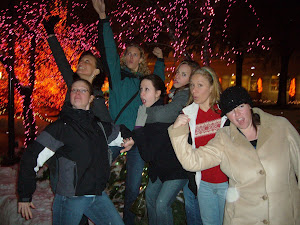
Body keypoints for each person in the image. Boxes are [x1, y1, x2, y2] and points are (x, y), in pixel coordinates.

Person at [168, 86, 300, 225]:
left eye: (241, 106)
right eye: (231, 110)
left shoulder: (281, 127)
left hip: (285, 217)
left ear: (249, 105)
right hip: (243, 219)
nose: (237, 114)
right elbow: (192, 162)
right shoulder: (224, 138)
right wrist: (178, 131)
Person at [17, 79, 134, 225]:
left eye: (83, 90)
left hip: (97, 195)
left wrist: (130, 139)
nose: (77, 93)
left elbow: (121, 132)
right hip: (70, 199)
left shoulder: (100, 127)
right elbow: (31, 157)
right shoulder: (61, 128)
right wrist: (25, 195)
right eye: (74, 90)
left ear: (91, 98)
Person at [93, 0, 165, 223]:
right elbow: (110, 51)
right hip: (115, 134)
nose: (132, 57)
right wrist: (104, 19)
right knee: (94, 177)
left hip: (137, 137)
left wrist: (161, 61)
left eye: (136, 54)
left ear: (142, 59)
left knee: (133, 189)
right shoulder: (117, 76)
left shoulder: (144, 82)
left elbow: (158, 86)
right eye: (129, 54)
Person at [140, 59, 202, 225]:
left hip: (177, 166)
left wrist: (141, 114)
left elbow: (161, 117)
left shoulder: (185, 96)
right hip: (165, 165)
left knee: (161, 204)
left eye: (184, 74)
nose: (177, 76)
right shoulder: (174, 96)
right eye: (177, 72)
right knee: (151, 197)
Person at [124, 74, 188, 225]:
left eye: (147, 89)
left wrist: (138, 129)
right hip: (160, 171)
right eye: (141, 89)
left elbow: (147, 154)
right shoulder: (147, 113)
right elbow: (140, 136)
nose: (142, 94)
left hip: (176, 170)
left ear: (158, 93)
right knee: (150, 197)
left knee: (161, 204)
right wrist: (134, 137)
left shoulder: (159, 117)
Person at [42, 16, 112, 123]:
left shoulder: (96, 97)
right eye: (80, 61)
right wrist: (51, 34)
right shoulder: (72, 83)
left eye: (87, 61)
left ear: (96, 71)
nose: (81, 63)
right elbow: (61, 61)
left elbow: (107, 125)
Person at [182, 67, 228, 225]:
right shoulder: (187, 115)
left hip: (227, 183)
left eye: (200, 85)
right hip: (204, 184)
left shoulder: (225, 113)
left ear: (211, 87)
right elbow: (186, 151)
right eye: (192, 85)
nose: (194, 90)